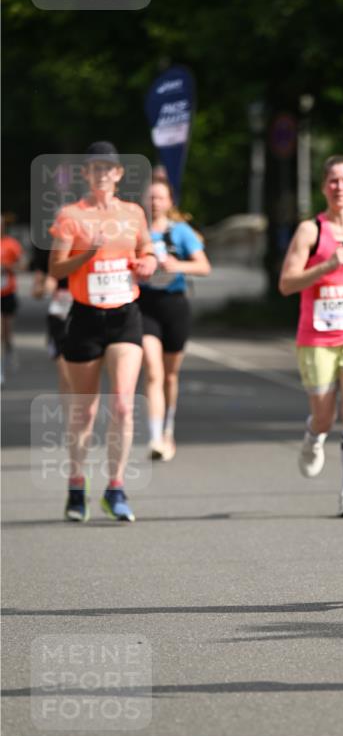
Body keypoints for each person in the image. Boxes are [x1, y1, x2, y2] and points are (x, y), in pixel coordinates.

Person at [49, 141, 157, 522]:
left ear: (118, 174)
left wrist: (149, 264)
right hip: (85, 316)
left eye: (107, 169)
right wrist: (87, 254)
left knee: (125, 404)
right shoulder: (70, 215)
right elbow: (56, 269)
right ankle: (77, 487)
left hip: (125, 314)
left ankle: (116, 487)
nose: (101, 175)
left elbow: (148, 250)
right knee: (85, 411)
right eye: (94, 168)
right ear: (86, 174)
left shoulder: (133, 213)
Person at [278, 155, 343, 517]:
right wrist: (327, 266)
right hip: (317, 336)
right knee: (325, 416)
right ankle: (314, 435)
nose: (339, 187)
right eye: (333, 181)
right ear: (324, 188)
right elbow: (287, 284)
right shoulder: (312, 231)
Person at [139, 177, 211, 460]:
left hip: (174, 305)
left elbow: (204, 266)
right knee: (153, 371)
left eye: (159, 198)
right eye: (150, 198)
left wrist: (176, 265)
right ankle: (155, 437)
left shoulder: (180, 232)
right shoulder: (137, 231)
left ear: (169, 202)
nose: (154, 203)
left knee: (170, 375)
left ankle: (168, 429)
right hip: (145, 305)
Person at [32, 243, 72, 396]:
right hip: (60, 316)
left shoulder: (87, 249)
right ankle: (70, 417)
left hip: (86, 315)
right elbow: (36, 292)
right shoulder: (48, 253)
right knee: (66, 373)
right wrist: (46, 287)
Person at [1, 215, 24, 380]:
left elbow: (22, 265)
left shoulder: (11, 244)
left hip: (7, 293)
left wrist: (6, 267)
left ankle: (9, 350)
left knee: (6, 333)